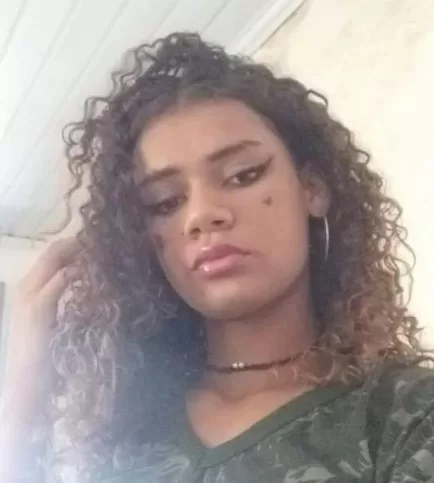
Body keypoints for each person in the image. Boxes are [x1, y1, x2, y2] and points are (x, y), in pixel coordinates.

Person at [1, 32, 433, 483]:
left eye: (243, 175)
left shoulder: (405, 415)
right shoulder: (128, 438)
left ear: (312, 189)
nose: (202, 214)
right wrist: (23, 391)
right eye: (165, 202)